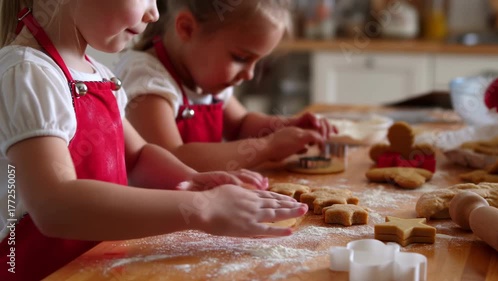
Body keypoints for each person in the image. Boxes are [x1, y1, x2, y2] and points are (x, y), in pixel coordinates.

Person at [0, 1, 308, 280]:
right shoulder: (28, 74)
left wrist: (192, 180)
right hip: (34, 270)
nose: (154, 13)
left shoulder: (98, 75)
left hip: (89, 265)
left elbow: (137, 157)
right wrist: (201, 208)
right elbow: (55, 206)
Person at [114, 0, 337, 172]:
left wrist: (288, 126)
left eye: (257, 62)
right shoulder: (147, 78)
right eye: (240, 58)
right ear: (187, 29)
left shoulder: (206, 79)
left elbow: (240, 124)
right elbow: (173, 159)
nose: (249, 74)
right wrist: (268, 147)